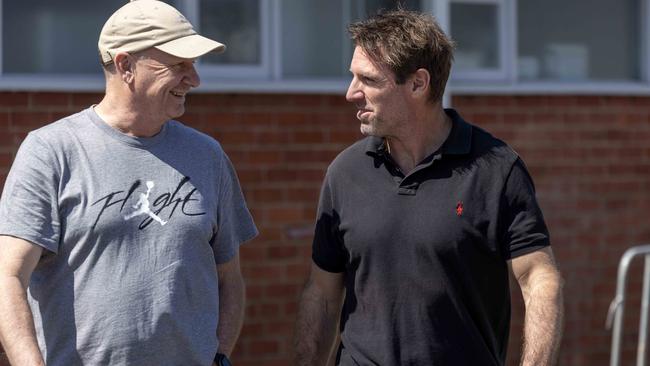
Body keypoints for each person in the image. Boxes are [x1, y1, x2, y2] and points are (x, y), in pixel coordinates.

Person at [295, 9, 563, 366]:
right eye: (352, 78)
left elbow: (539, 278)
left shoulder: (497, 169)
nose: (351, 94)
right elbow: (323, 294)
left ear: (418, 84)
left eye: (368, 80)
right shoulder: (345, 172)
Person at [0, 1, 257, 365]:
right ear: (126, 66)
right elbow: (8, 276)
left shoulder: (207, 155)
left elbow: (229, 277)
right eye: (179, 65)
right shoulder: (52, 151)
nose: (195, 79)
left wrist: (219, 355)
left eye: (194, 65)